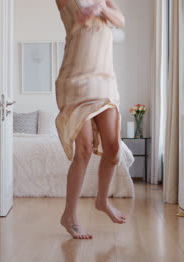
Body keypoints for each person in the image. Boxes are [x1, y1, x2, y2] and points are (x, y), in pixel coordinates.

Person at [55, 0, 126, 239]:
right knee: (84, 149)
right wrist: (88, 13)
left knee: (114, 149)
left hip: (105, 80)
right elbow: (77, 19)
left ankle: (102, 200)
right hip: (76, 81)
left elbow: (120, 20)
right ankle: (69, 216)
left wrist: (100, 9)